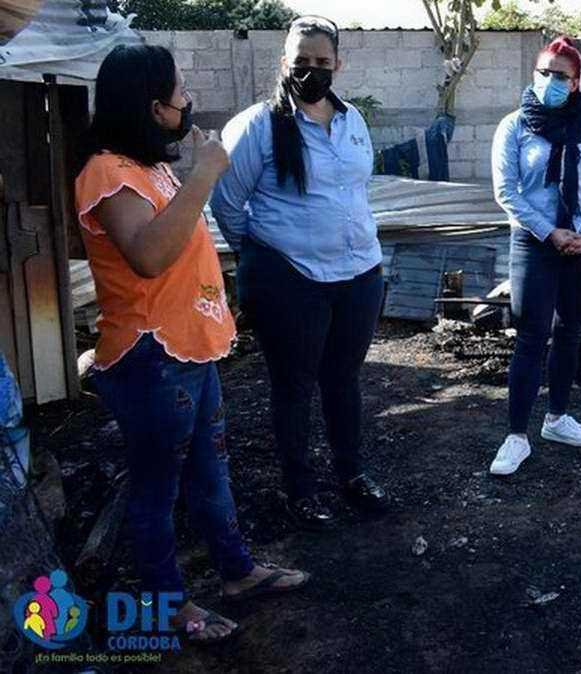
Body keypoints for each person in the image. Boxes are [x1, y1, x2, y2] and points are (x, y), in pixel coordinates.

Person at [77, 44, 308, 644]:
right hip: (151, 356)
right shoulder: (106, 172)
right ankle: (167, 605)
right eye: (181, 92)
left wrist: (193, 175)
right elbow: (149, 256)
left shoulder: (146, 166)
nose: (189, 102)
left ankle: (237, 572)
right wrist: (205, 172)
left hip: (187, 348)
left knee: (211, 472)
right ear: (154, 106)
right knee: (157, 489)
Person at [210, 16, 387, 528]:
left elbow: (356, 190)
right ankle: (300, 489)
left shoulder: (353, 121)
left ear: (338, 64)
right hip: (292, 278)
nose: (312, 70)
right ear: (285, 62)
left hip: (359, 274)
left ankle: (352, 473)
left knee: (343, 379)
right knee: (294, 385)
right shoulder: (257, 126)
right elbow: (227, 204)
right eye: (301, 61)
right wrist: (267, 259)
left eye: (322, 62)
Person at [489, 36, 581, 476]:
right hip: (534, 241)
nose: (550, 81)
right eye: (544, 72)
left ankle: (558, 419)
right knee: (531, 335)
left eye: (560, 75)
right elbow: (506, 191)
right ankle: (516, 436)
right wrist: (551, 232)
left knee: (569, 331)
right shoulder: (514, 126)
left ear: (576, 82)